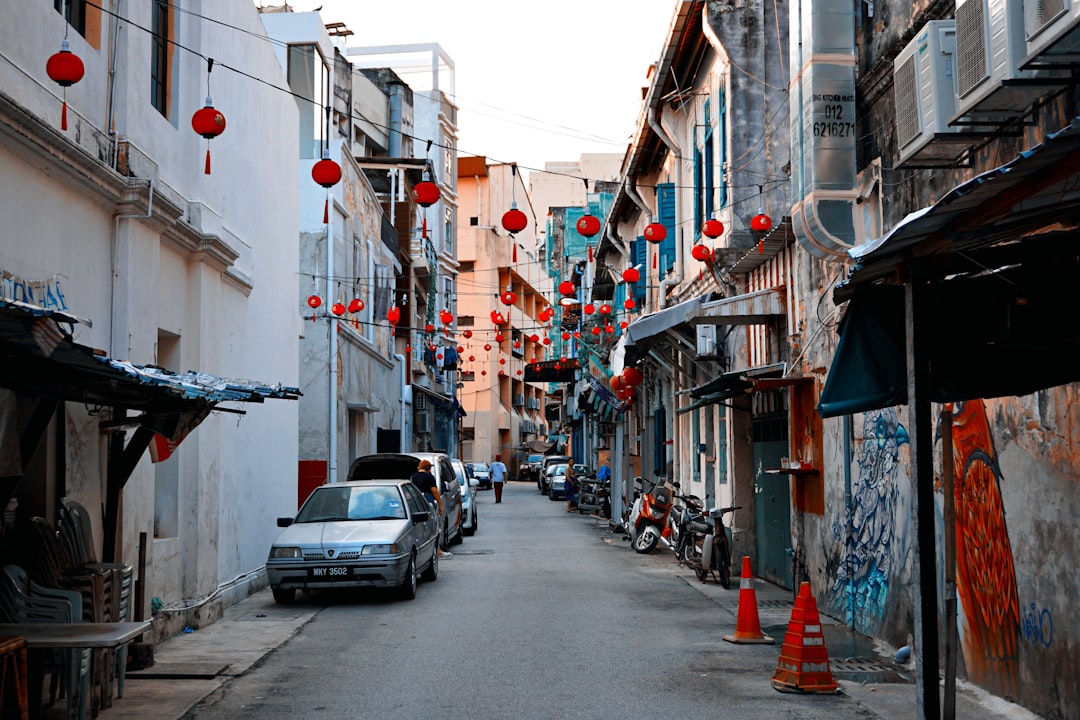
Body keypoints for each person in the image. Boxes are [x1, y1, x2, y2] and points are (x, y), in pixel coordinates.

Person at [410, 459, 448, 557]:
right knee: (434, 526)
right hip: (428, 503)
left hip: (416, 504)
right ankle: (438, 551)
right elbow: (434, 491)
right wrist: (440, 505)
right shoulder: (429, 477)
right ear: (429, 468)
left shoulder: (413, 477)